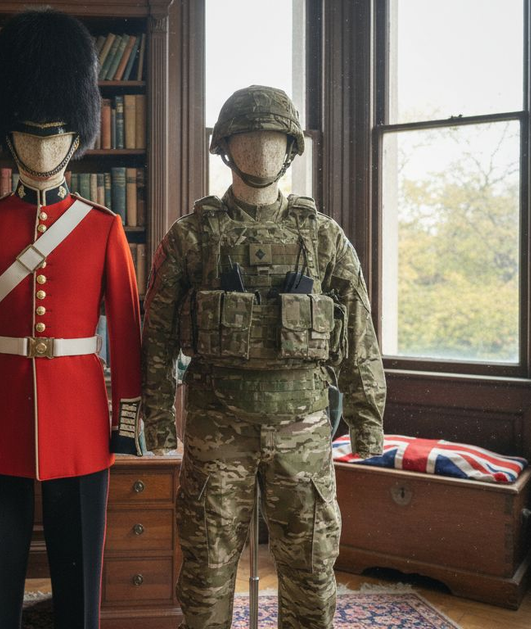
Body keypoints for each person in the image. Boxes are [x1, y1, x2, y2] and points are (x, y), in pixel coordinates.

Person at [141, 85, 386, 629]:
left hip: (303, 434)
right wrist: (156, 421)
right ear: (227, 148)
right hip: (215, 432)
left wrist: (368, 424)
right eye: (248, 139)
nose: (261, 151)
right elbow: (156, 333)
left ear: (292, 148)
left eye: (273, 140)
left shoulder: (324, 239)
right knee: (205, 576)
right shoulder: (191, 236)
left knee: (311, 571)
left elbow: (361, 338)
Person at [0, 9, 144, 629]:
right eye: (29, 134)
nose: (43, 146)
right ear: (9, 135)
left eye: (55, 135)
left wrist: (125, 418)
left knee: (80, 578)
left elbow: (125, 334)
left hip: (80, 414)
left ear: (76, 136)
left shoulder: (103, 228)